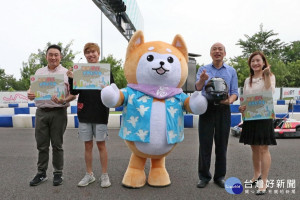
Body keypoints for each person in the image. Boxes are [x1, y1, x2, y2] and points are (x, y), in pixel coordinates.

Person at [28, 44, 76, 186]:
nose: (53, 57)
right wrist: (30, 94)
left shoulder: (67, 74)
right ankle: (41, 173)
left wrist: (63, 100)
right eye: (51, 54)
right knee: (41, 145)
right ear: (46, 56)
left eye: (56, 55)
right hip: (41, 112)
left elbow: (73, 94)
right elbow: (32, 90)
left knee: (57, 145)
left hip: (58, 112)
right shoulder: (39, 72)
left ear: (60, 57)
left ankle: (58, 173)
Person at [67, 43, 114, 188]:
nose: (90, 54)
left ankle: (104, 175)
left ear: (98, 54)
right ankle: (89, 174)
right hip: (84, 113)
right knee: (87, 145)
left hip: (100, 113)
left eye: (93, 51)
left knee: (101, 145)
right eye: (87, 52)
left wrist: (108, 88)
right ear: (85, 55)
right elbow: (74, 93)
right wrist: (71, 78)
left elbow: (113, 91)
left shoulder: (105, 71)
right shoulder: (80, 72)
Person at [195, 43, 238, 188]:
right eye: (214, 49)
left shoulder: (231, 71)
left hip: (223, 111)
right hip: (206, 109)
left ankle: (219, 177)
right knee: (205, 144)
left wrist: (228, 101)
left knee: (222, 145)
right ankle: (204, 177)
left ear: (224, 53)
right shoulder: (203, 69)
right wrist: (202, 79)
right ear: (210, 53)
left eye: (220, 49)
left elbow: (234, 93)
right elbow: (198, 88)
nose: (217, 51)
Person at [239, 51, 276, 195]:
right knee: (254, 148)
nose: (255, 63)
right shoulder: (247, 81)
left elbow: (269, 91)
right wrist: (241, 107)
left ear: (263, 62)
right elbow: (246, 99)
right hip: (251, 117)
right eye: (253, 61)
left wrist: (266, 74)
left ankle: (264, 182)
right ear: (250, 64)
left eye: (258, 60)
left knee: (263, 149)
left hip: (264, 116)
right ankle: (256, 175)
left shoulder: (270, 76)